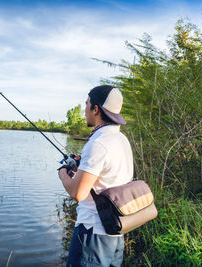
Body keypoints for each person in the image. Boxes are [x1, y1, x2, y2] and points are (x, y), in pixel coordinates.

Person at [58, 85, 133, 267]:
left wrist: (62, 173)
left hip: (93, 234)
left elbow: (78, 193)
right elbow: (109, 174)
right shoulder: (121, 140)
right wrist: (82, 163)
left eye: (86, 104)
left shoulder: (98, 143)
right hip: (116, 233)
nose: (84, 110)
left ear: (96, 109)